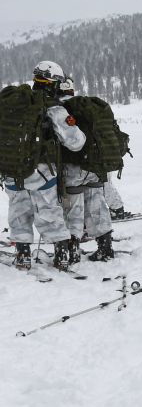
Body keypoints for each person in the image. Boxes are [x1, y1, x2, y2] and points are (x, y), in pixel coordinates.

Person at [1, 61, 85, 270]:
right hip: (42, 171)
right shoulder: (53, 108)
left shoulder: (15, 104)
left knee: (18, 211)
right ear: (53, 83)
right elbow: (76, 143)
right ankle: (62, 255)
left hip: (12, 169)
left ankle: (22, 256)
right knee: (49, 211)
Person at [56, 76, 116, 262]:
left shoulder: (59, 109)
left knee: (72, 208)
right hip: (95, 165)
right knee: (97, 206)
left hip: (73, 166)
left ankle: (72, 251)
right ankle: (105, 247)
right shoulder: (87, 106)